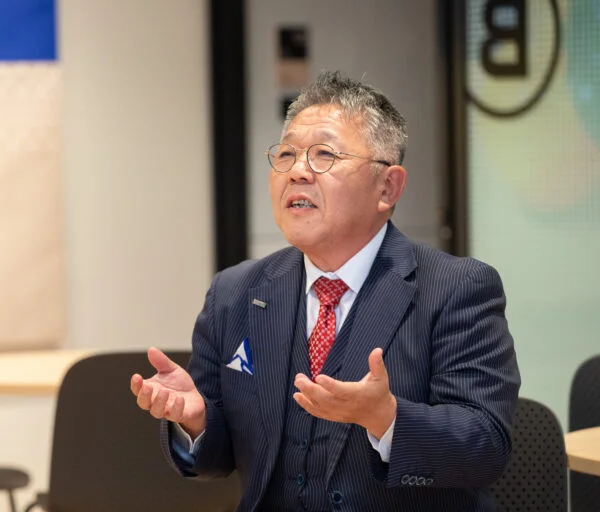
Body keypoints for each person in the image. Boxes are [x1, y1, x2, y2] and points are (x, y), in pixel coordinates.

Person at [130, 71, 520, 511]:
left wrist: (387, 418)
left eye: (324, 155)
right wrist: (197, 421)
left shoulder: (456, 288)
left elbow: (487, 446)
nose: (297, 172)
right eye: (287, 154)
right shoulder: (234, 292)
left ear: (387, 187)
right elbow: (216, 460)